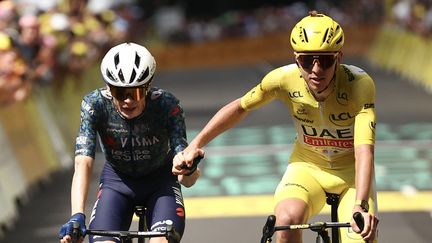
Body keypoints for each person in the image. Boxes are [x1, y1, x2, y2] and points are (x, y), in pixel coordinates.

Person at [172, 11, 379, 243]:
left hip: (351, 176)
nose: (316, 69)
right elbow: (240, 107)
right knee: (285, 222)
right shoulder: (282, 79)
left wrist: (360, 204)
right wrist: (195, 145)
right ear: (296, 58)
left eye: (326, 60)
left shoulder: (359, 84)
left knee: (361, 236)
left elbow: (364, 150)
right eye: (307, 60)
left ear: (339, 57)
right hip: (307, 167)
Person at [59, 42, 200, 243]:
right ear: (108, 88)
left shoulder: (167, 105)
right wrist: (77, 215)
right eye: (120, 92)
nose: (127, 101)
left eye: (135, 92)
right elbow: (83, 161)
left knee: (161, 241)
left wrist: (189, 169)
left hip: (160, 182)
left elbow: (187, 177)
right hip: (117, 182)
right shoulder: (95, 104)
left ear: (148, 87)